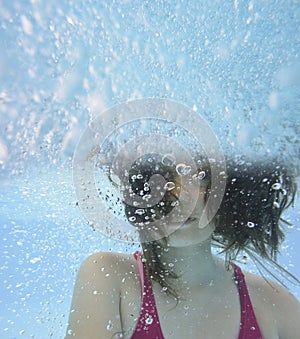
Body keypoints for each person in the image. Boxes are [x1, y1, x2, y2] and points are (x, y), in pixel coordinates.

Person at [66, 152, 300, 338]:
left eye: (202, 177)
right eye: (165, 176)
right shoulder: (109, 276)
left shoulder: (277, 306)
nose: (182, 197)